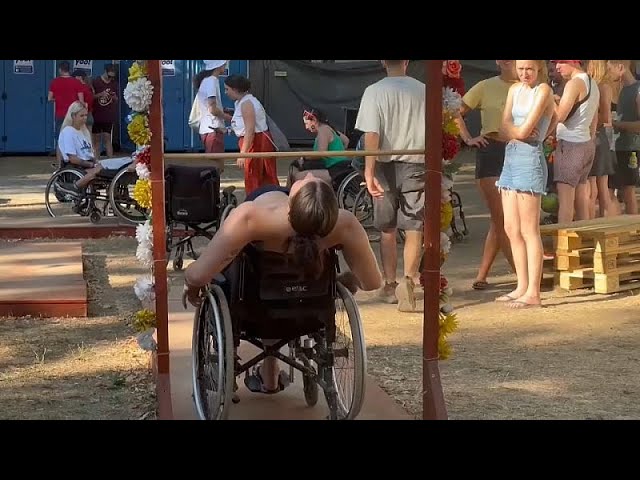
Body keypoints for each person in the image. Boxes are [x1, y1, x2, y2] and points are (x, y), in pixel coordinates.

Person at [182, 172, 383, 393]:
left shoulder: (251, 218)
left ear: (291, 206)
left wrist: (191, 286)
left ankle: (268, 371)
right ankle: (271, 371)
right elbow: (372, 281)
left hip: (254, 306)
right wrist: (345, 281)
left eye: (308, 181)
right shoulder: (343, 224)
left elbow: (198, 276)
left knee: (240, 270)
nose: (308, 173)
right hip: (310, 308)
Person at [354, 60, 425, 312]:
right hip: (416, 159)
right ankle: (408, 279)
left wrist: (368, 169)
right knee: (414, 222)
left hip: (384, 163)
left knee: (387, 226)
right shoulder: (423, 90)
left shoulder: (374, 91)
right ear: (407, 62)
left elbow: (371, 134)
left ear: (383, 62)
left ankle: (390, 282)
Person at [496, 60, 555, 309]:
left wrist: (516, 130)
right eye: (520, 69)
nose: (524, 74)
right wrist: (515, 130)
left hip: (530, 157)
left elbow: (524, 131)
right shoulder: (513, 90)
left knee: (530, 228)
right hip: (510, 157)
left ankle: (533, 291)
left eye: (529, 69)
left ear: (538, 67)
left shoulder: (543, 90)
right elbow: (502, 128)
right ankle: (521, 284)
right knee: (511, 227)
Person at [455, 60, 518, 291]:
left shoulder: (529, 85)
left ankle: (482, 274)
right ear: (499, 62)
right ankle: (521, 275)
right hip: (491, 150)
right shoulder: (485, 86)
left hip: (519, 150)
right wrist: (467, 137)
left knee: (500, 219)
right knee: (502, 218)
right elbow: (455, 111)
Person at [551, 60, 601, 223]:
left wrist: (548, 99)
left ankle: (563, 245)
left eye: (560, 62)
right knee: (582, 200)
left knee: (565, 203)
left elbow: (559, 116)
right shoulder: (592, 83)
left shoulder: (574, 84)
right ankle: (586, 240)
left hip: (570, 144)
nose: (557, 67)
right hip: (586, 144)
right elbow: (594, 119)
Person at [223, 75, 280, 197]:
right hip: (252, 141)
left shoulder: (247, 103)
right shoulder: (241, 102)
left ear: (235, 89)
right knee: (254, 176)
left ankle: (257, 200)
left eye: (227, 89)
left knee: (255, 175)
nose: (226, 92)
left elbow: (249, 130)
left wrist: (243, 154)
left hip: (257, 143)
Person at [288, 108, 351, 189]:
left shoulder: (323, 130)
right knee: (296, 170)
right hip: (340, 166)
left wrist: (304, 156)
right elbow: (346, 141)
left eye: (307, 123)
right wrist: (339, 153)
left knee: (298, 176)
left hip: (335, 170)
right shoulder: (329, 128)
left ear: (314, 120)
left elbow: (320, 153)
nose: (306, 127)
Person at [585, 60, 618, 218]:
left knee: (600, 188)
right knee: (594, 187)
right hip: (596, 136)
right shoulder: (592, 85)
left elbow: (605, 116)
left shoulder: (602, 86)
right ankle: (593, 223)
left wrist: (585, 117)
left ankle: (606, 226)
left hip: (599, 137)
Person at [607, 60, 640, 215]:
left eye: (610, 69)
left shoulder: (637, 90)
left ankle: (633, 227)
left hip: (631, 147)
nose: (609, 73)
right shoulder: (622, 89)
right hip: (618, 146)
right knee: (614, 188)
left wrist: (617, 124)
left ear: (620, 67)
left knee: (628, 189)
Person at [194, 60, 228, 172]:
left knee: (215, 165)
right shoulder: (212, 81)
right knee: (217, 167)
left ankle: (215, 188)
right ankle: (215, 189)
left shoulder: (206, 81)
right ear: (218, 65)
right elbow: (212, 109)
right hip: (213, 128)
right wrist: (229, 117)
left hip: (208, 128)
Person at [48, 61, 85, 164]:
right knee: (75, 139)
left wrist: (58, 98)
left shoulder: (54, 82)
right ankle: (75, 163)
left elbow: (49, 98)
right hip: (74, 115)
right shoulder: (76, 82)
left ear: (60, 69)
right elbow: (81, 101)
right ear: (70, 70)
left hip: (60, 115)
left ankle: (60, 164)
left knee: (60, 141)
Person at [92, 64, 119, 159]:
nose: (110, 79)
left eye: (112, 77)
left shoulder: (114, 84)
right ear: (105, 72)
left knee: (108, 138)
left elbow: (117, 98)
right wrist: (100, 94)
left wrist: (113, 96)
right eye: (109, 76)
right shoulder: (96, 82)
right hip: (97, 114)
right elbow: (91, 97)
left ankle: (110, 161)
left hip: (109, 115)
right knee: (97, 140)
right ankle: (96, 161)